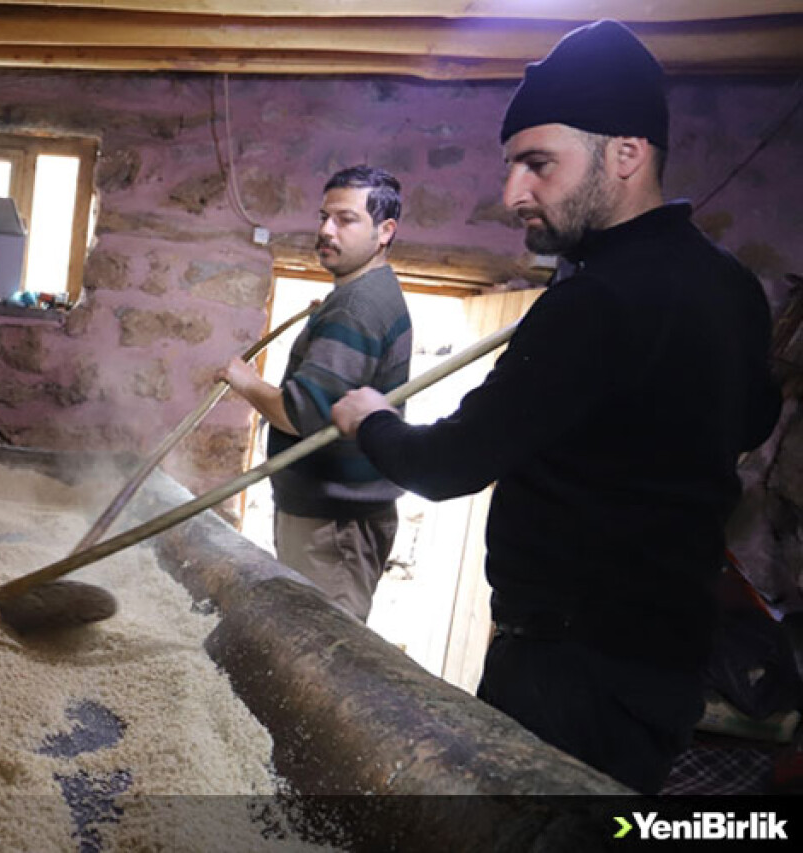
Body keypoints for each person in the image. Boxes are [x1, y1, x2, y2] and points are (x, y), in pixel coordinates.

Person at [331, 20, 781, 793]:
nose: (513, 193)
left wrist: (368, 415)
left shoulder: (595, 300)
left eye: (539, 164)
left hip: (564, 675)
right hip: (664, 670)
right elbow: (752, 423)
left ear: (626, 153)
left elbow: (449, 463)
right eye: (512, 166)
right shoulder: (731, 285)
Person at [221, 165, 412, 622]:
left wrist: (243, 380)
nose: (326, 230)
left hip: (335, 525)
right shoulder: (360, 294)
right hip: (330, 517)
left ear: (385, 231)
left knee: (324, 643)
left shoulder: (358, 305)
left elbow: (302, 415)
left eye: (346, 220)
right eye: (324, 217)